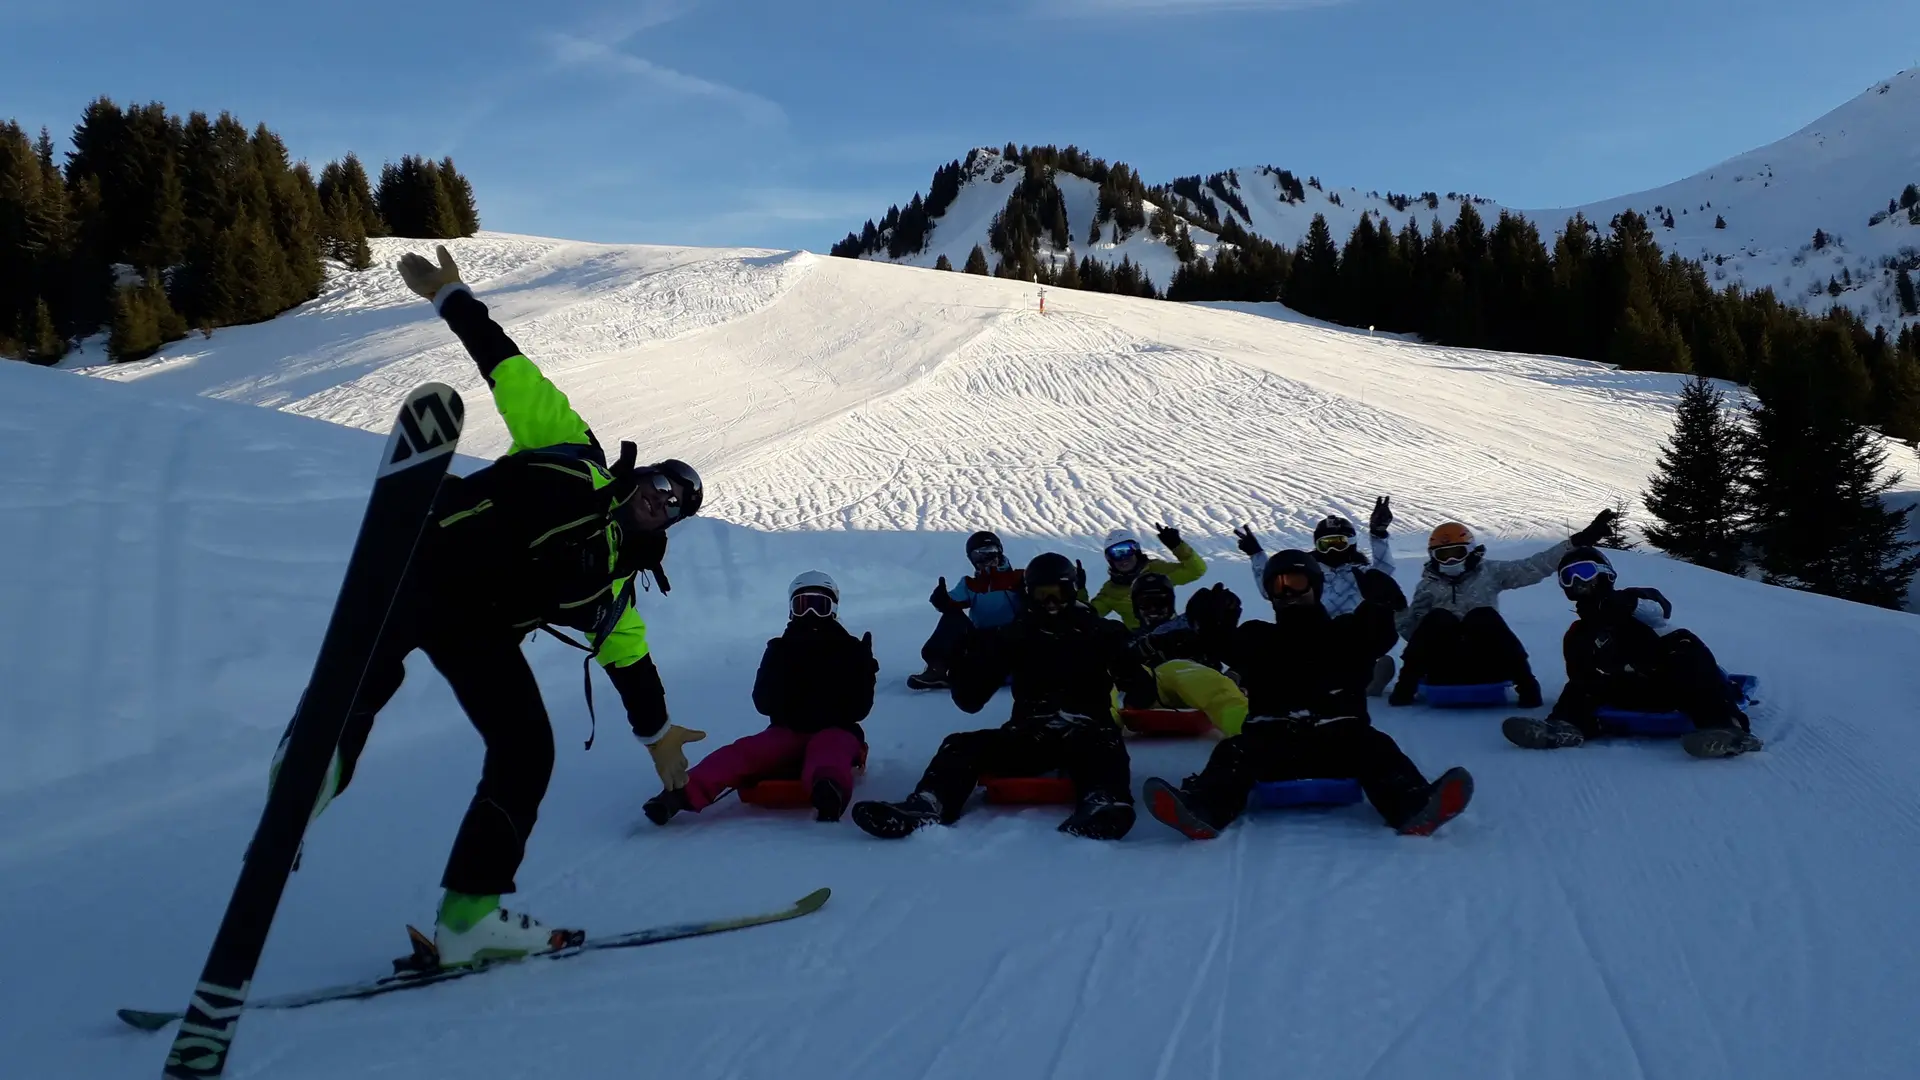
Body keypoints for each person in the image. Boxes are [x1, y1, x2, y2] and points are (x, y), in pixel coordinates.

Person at [265, 245, 708, 967]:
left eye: (675, 507)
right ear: (643, 473)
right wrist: (451, 298)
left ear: (672, 526)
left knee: (527, 748)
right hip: (425, 561)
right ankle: (303, 791)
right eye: (662, 484)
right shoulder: (571, 449)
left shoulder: (617, 586)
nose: (662, 501)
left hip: (479, 627)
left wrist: (656, 734)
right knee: (369, 682)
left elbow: (630, 661)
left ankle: (470, 914)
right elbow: (509, 369)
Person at [1142, 551, 1474, 840]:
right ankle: (1203, 810)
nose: (1288, 592)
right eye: (1278, 585)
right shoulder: (1258, 637)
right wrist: (1211, 626)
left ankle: (1413, 804)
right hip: (1273, 741)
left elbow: (1378, 637)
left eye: (1296, 582)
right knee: (1234, 752)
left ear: (1315, 585)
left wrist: (1381, 606)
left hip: (1340, 738)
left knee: (1376, 747)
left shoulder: (1346, 631)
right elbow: (1221, 647)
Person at [851, 553, 1156, 841]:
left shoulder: (1101, 632)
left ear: (1072, 591)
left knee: (1105, 743)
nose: (1050, 604)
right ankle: (928, 804)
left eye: (1058, 594)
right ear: (1029, 595)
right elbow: (970, 700)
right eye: (1041, 595)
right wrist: (964, 663)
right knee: (960, 745)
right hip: (1030, 735)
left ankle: (1103, 805)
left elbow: (1142, 695)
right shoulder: (1015, 635)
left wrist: (1128, 663)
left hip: (1087, 730)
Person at [643, 571, 877, 825]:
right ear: (791, 610)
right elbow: (762, 702)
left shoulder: (850, 649)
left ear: (832, 609)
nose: (810, 614)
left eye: (819, 606)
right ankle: (677, 796)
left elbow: (859, 709)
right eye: (802, 606)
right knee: (745, 752)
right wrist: (786, 672)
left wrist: (864, 671)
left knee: (828, 751)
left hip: (838, 729)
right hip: (789, 729)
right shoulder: (781, 649)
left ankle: (828, 793)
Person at [1503, 548, 1763, 759]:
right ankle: (1564, 727)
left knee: (1685, 643)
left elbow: (1661, 610)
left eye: (1584, 572)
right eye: (1568, 577)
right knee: (1582, 683)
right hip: (1627, 691)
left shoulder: (1634, 601)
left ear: (1605, 574)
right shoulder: (1579, 632)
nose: (1577, 582)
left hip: (1673, 685)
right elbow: (1579, 677)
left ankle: (1727, 728)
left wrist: (1624, 604)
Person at [1387, 509, 1619, 709]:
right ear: (1433, 556)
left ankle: (1526, 683)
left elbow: (1532, 567)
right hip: (1442, 666)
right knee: (1438, 618)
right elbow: (1413, 634)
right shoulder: (1427, 586)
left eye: (1456, 553)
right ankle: (1405, 685)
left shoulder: (1489, 572)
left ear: (1469, 551)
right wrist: (1399, 609)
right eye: (1443, 555)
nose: (1450, 561)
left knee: (1482, 616)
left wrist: (1576, 542)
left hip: (1486, 662)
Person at [1235, 496, 1406, 694]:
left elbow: (1384, 570)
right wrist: (1256, 554)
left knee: (1369, 621)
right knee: (1264, 636)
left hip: (1349, 638)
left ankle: (1366, 675)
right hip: (1308, 635)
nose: (1333, 550)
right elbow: (1272, 588)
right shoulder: (1307, 571)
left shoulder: (1361, 572)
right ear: (1317, 545)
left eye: (1339, 543)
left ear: (1350, 543)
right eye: (1326, 544)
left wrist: (1378, 534)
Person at [1119, 573, 1250, 737]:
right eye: (1146, 604)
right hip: (1149, 690)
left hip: (1199, 683)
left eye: (1160, 603)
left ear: (1170, 603)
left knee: (1186, 669)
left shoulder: (1189, 625)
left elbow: (1226, 647)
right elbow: (1121, 660)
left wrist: (1223, 625)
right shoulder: (1130, 637)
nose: (1153, 610)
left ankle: (1249, 729)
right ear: (1136, 608)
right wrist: (1153, 645)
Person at [907, 531, 1022, 690]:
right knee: (953, 616)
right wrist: (942, 599)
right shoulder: (970, 584)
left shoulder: (1019, 578)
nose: (985, 560)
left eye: (989, 552)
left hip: (1014, 637)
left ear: (999, 552)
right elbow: (953, 601)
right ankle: (937, 669)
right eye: (978, 556)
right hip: (982, 640)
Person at [1092, 524, 1207, 629]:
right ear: (1109, 559)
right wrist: (1078, 588)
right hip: (1140, 645)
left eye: (1126, 550)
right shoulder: (1110, 590)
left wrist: (1178, 546)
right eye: (1115, 554)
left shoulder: (1157, 570)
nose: (1123, 558)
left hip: (1172, 632)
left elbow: (1196, 570)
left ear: (1136, 550)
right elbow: (1087, 615)